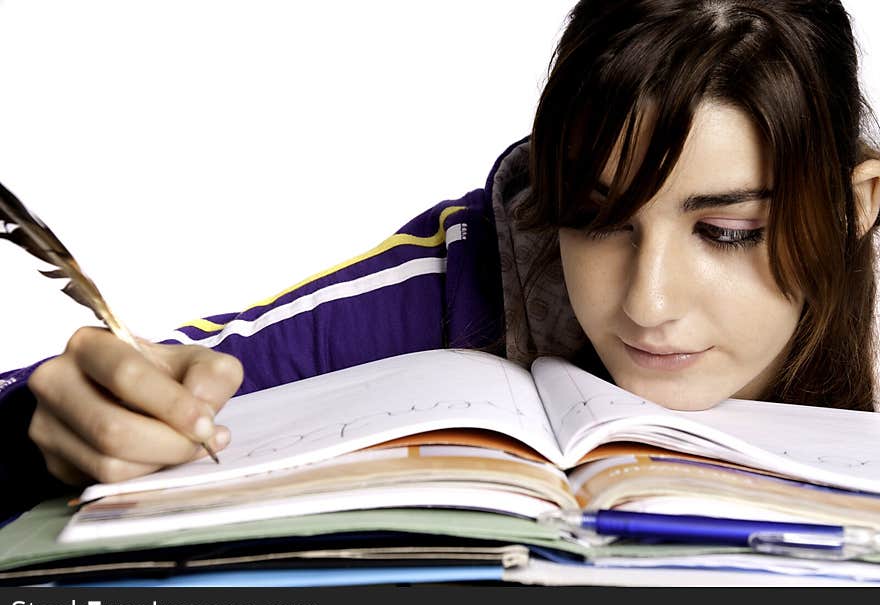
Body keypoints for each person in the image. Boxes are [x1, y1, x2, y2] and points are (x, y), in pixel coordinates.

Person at [0, 0, 878, 523]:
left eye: (727, 231)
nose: (647, 303)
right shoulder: (448, 288)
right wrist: (47, 439)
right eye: (594, 217)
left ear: (860, 205)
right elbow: (119, 390)